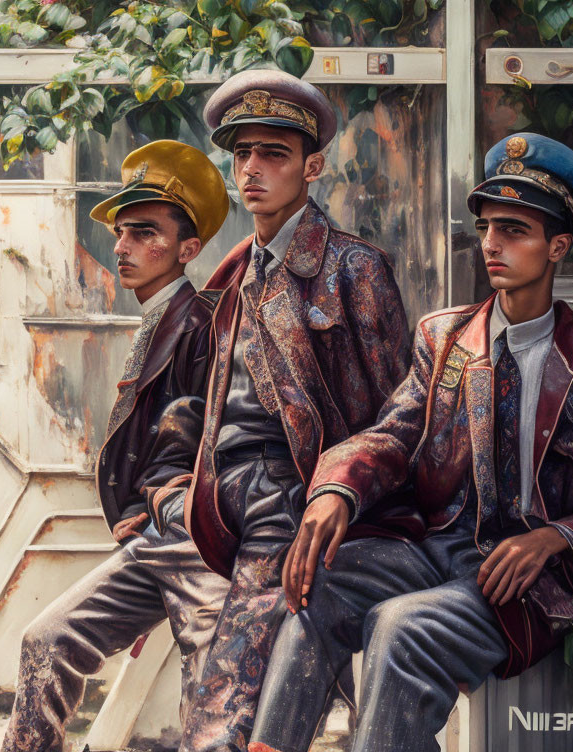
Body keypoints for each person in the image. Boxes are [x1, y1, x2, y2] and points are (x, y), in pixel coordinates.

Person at [248, 132, 573, 752]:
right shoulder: (446, 340)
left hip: (520, 582)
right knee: (311, 590)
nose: (491, 244)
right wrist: (335, 489)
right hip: (434, 547)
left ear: (558, 247)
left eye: (514, 230)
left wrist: (549, 538)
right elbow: (393, 433)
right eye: (488, 228)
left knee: (398, 626)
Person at [146, 70, 412, 751]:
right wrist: (175, 487)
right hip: (215, 506)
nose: (253, 169)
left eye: (274, 154)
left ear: (312, 165)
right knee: (298, 694)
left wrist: (338, 499)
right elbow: (205, 399)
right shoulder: (236, 276)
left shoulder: (355, 269)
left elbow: (394, 418)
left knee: (222, 720)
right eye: (243, 155)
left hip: (287, 503)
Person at [1, 140, 232, 752]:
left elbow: (201, 432)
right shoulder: (160, 317)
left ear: (188, 249)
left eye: (144, 233)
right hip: (154, 536)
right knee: (45, 642)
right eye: (121, 232)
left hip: (197, 540)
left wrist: (162, 502)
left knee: (208, 704)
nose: (123, 247)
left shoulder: (202, 324)